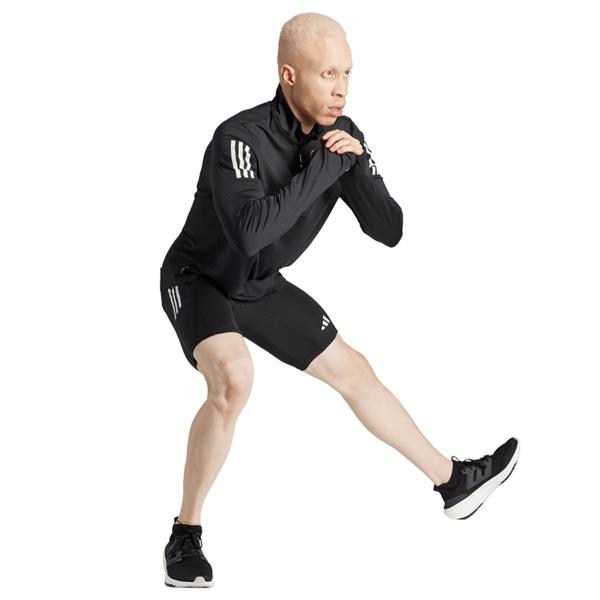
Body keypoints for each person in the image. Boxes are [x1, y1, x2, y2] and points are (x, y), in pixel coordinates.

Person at [159, 12, 520, 588]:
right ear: (289, 75)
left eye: (347, 73)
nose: (341, 88)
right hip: (198, 277)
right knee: (233, 380)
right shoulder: (239, 138)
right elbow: (249, 233)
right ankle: (187, 531)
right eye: (327, 73)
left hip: (258, 284)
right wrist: (325, 167)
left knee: (356, 371)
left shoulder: (341, 136)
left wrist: (355, 170)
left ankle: (453, 483)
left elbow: (389, 230)